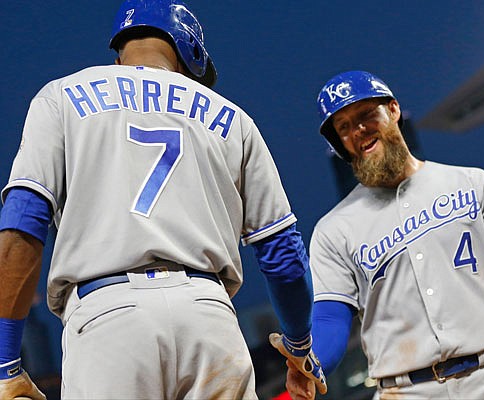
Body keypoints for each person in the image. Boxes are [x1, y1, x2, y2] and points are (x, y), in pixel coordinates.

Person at [0, 0, 325, 398]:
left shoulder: (61, 96)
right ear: (191, 54)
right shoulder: (234, 119)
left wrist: (5, 361)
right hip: (209, 319)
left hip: (108, 319)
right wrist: (299, 347)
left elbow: (23, 219)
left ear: (119, 54)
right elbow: (283, 255)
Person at [282, 70, 484, 399]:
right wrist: (312, 362)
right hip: (406, 391)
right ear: (340, 143)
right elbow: (331, 316)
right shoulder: (333, 230)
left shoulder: (469, 182)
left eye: (366, 114)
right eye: (344, 127)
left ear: (393, 109)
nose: (359, 130)